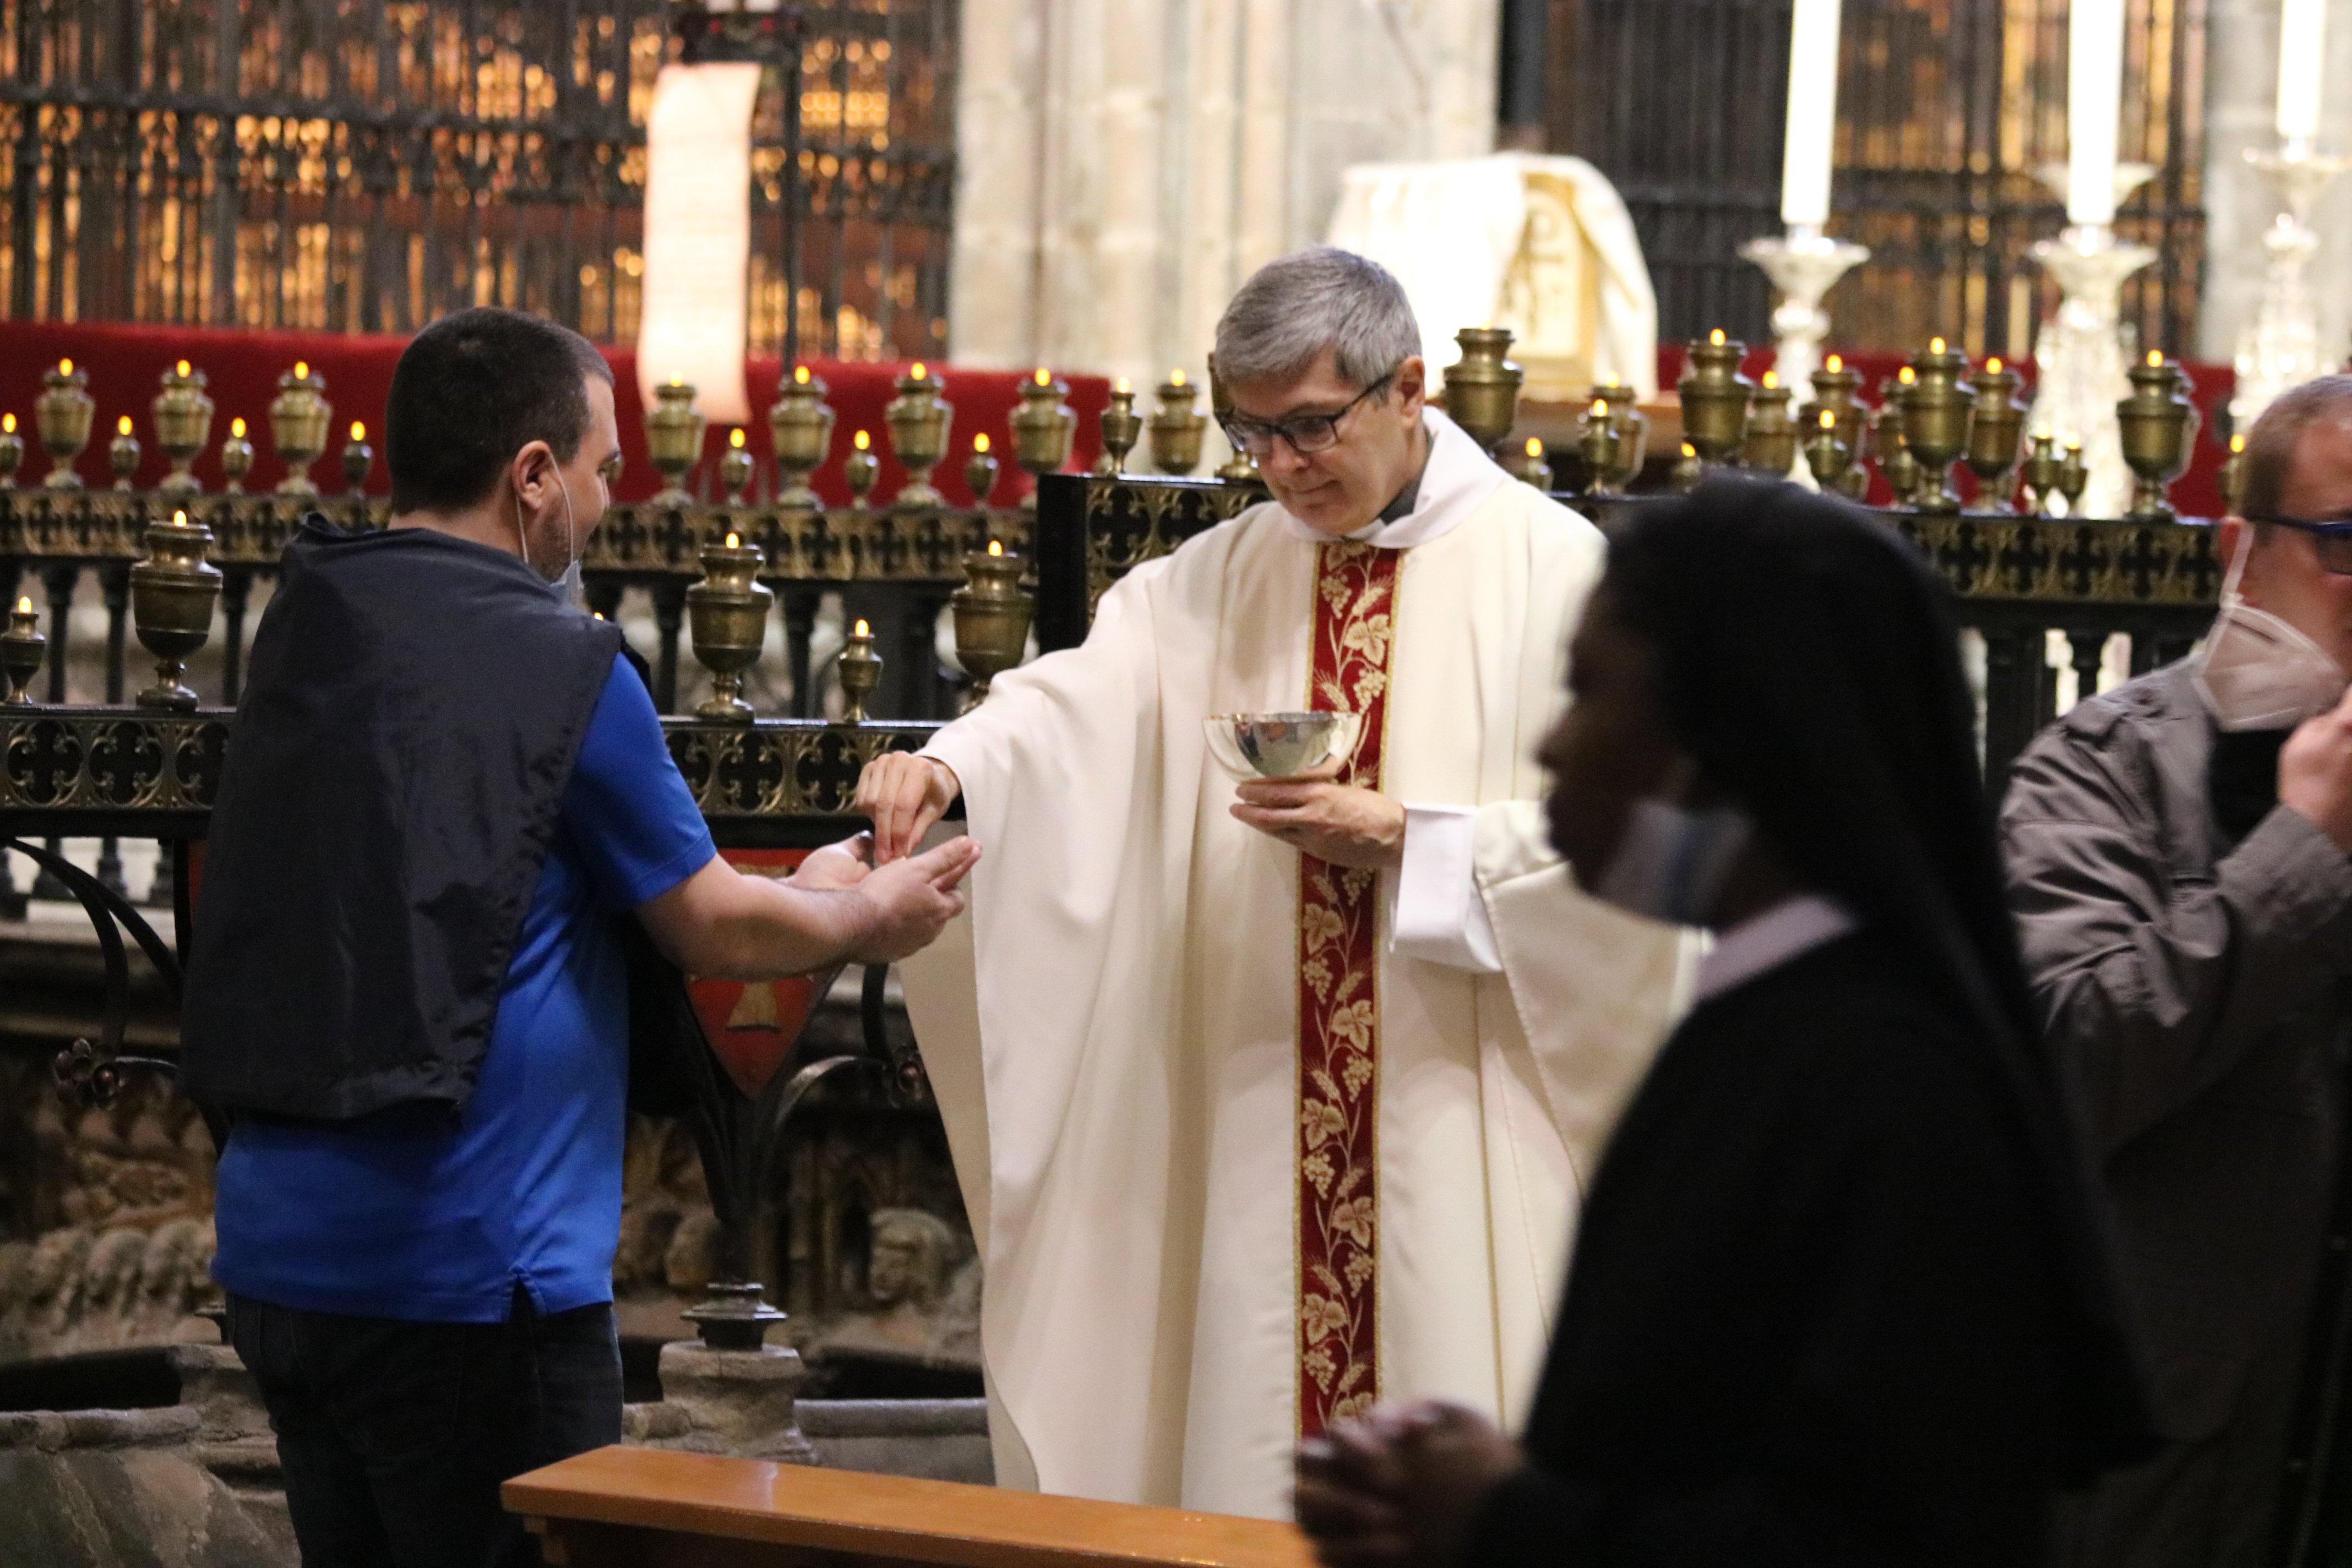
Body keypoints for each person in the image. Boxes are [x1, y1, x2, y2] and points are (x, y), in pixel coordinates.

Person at [855, 246, 1689, 1516]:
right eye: (1256, 436)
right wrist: (954, 765)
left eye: (1311, 427)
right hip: (1261, 1097)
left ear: (1409, 388)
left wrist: (1419, 834)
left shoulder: (1560, 574)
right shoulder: (1221, 572)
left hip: (1456, 1111)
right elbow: (1079, 705)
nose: (1285, 467)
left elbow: (1647, 861)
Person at [178, 306, 976, 1568]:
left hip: (279, 1261)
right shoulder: (564, 665)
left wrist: (811, 889)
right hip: (472, 1282)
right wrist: (866, 913)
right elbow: (708, 919)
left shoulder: (311, 622)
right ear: (534, 477)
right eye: (603, 470)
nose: (607, 502)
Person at [1293, 478, 2153, 1567]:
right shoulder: (1770, 1017)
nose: (1555, 743)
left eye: (1590, 688)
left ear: (1722, 734)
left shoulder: (1895, 1087)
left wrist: (1505, 1515)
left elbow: (1885, 1539)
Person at [2002, 374, 2352, 1568]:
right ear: (2245, 549)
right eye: (2349, 541)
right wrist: (2304, 847)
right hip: (2188, 1441)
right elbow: (2066, 1051)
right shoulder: (2106, 764)